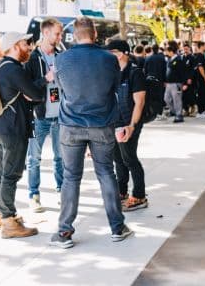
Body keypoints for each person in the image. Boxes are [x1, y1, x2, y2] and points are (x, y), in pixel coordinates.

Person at [50, 17, 134, 249]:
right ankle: (117, 228)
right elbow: (116, 88)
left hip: (71, 125)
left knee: (70, 177)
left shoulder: (62, 59)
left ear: (74, 36)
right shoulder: (109, 59)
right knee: (106, 173)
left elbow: (60, 87)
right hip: (102, 124)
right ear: (95, 34)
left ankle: (65, 231)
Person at [0, 32, 44, 238]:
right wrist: (44, 81)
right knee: (11, 174)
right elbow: (36, 95)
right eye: (25, 43)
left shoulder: (0, 67)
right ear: (14, 45)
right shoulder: (13, 68)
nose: (29, 47)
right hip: (13, 129)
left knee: (2, 172)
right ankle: (9, 221)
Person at [24, 17, 64, 212]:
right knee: (34, 159)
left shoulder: (61, 55)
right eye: (57, 33)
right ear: (46, 33)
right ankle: (34, 195)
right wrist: (45, 79)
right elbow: (27, 89)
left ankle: (62, 192)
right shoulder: (33, 58)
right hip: (40, 116)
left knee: (60, 158)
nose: (60, 37)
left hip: (60, 116)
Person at [105, 40, 149, 212]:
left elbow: (140, 102)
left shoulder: (135, 72)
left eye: (112, 52)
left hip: (130, 123)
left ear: (122, 53)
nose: (108, 55)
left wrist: (132, 125)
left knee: (129, 158)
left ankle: (139, 195)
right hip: (115, 122)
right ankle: (121, 191)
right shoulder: (113, 72)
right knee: (118, 159)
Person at [163, 41, 188, 123]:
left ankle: (179, 115)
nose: (166, 53)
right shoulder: (169, 60)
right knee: (166, 99)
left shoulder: (178, 60)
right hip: (169, 83)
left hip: (176, 83)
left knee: (177, 99)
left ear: (171, 51)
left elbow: (183, 72)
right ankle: (174, 111)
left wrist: (185, 83)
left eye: (167, 51)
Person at [193, 42, 205, 117]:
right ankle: (201, 111)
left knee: (204, 94)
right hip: (201, 79)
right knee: (201, 94)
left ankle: (204, 110)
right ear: (201, 46)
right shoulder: (200, 56)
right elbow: (200, 68)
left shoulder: (202, 55)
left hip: (201, 79)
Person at [180, 43, 197, 116]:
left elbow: (193, 69)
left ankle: (193, 109)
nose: (185, 50)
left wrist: (190, 78)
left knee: (191, 95)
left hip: (190, 79)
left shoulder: (192, 58)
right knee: (184, 96)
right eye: (184, 49)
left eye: (187, 49)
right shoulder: (181, 57)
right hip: (183, 79)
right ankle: (185, 109)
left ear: (189, 49)